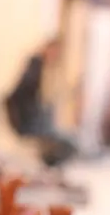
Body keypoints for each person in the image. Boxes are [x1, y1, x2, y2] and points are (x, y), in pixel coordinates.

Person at [5, 38, 78, 168]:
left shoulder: (45, 69)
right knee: (69, 145)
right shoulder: (35, 67)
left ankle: (48, 167)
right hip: (31, 123)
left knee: (69, 141)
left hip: (38, 123)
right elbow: (19, 96)